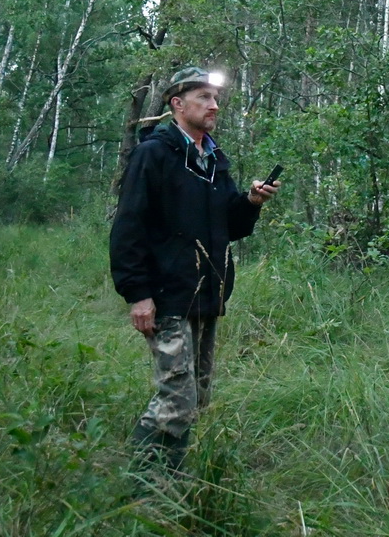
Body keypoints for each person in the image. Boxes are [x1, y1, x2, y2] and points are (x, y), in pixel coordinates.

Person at [109, 66, 279, 471]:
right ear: (177, 104)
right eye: (204, 97)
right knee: (177, 396)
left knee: (198, 395)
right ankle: (144, 487)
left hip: (205, 291)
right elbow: (128, 226)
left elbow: (228, 227)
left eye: (216, 98)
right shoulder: (154, 154)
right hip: (167, 295)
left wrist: (251, 202)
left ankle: (173, 477)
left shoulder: (213, 157)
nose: (214, 105)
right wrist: (138, 294)